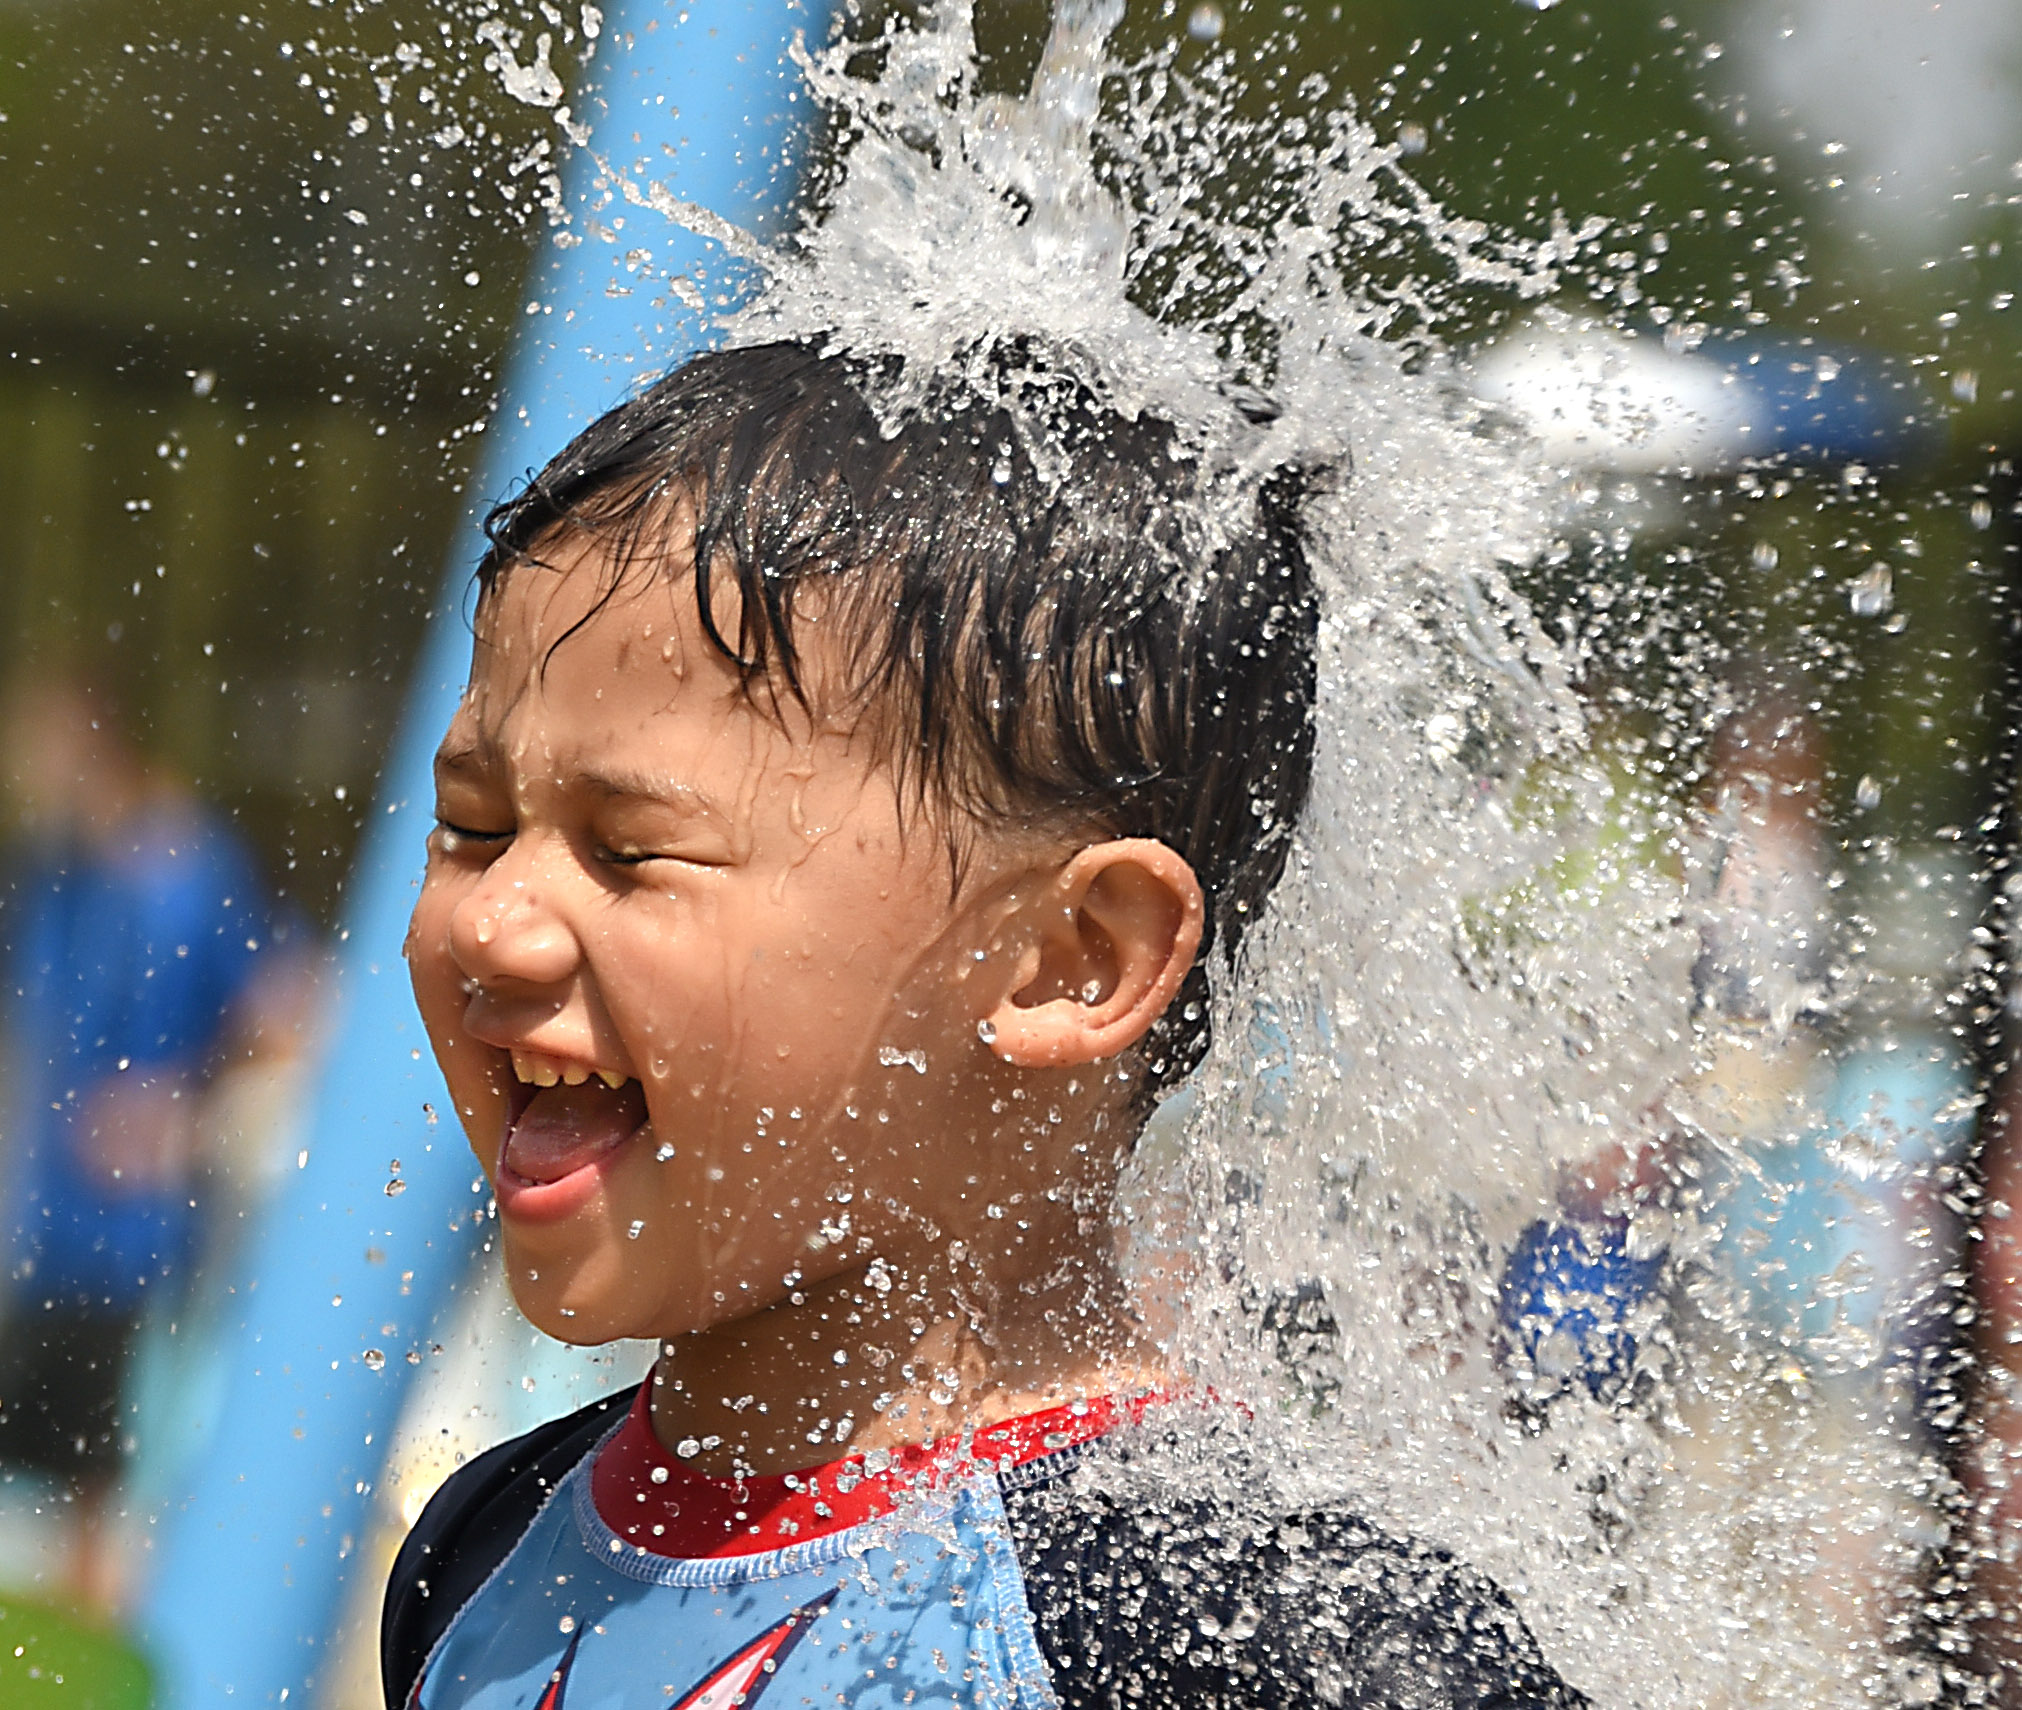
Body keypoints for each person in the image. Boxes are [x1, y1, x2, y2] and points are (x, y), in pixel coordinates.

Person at [383, 341, 1586, 1710]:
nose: (494, 921)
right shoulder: (487, 1549)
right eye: (475, 827)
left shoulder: (1242, 1629)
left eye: (630, 847)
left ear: (1069, 958)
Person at [0, 667, 268, 1606]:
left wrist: (186, 1110)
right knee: (42, 1500)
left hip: (145, 1253)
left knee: (111, 1504)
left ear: (93, 740)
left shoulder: (189, 873)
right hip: (50, 1245)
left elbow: (291, 1010)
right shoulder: (54, 881)